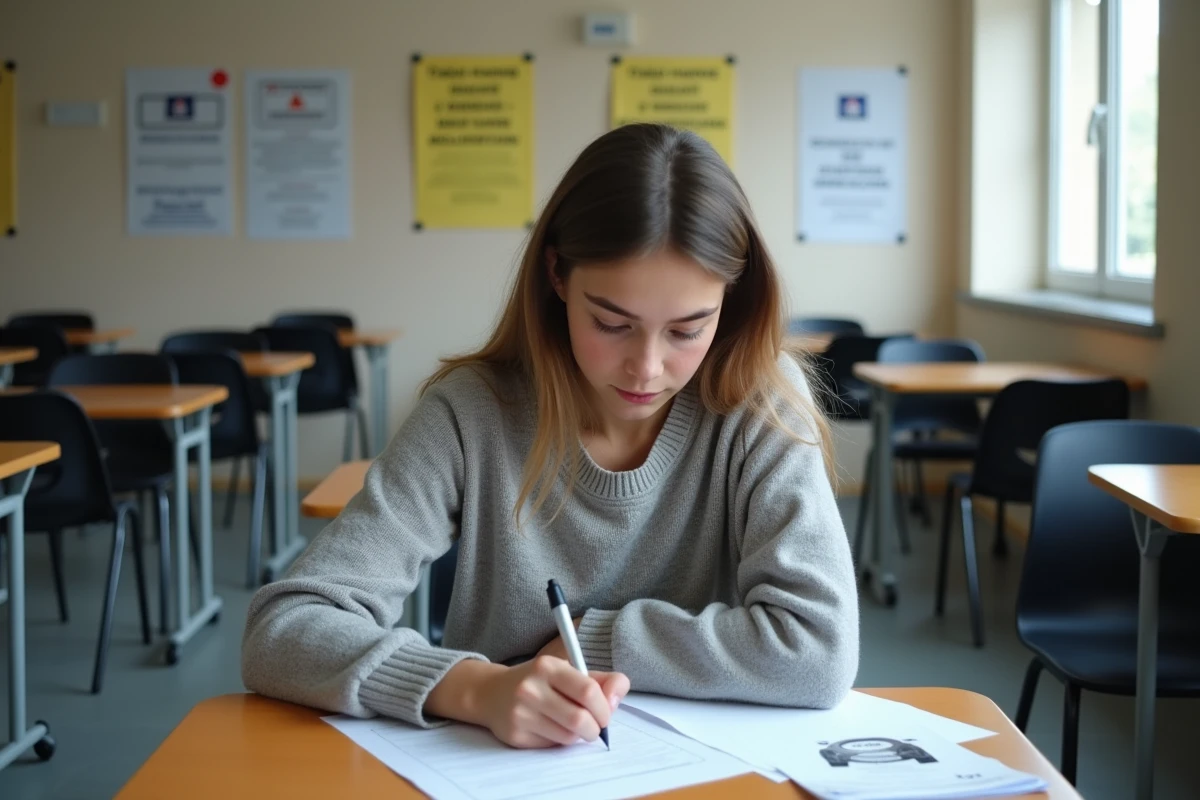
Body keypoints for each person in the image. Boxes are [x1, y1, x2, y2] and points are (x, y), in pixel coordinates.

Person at [242, 123, 859, 750]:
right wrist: (474, 688)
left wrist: (591, 636)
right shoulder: (470, 413)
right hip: (505, 770)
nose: (647, 368)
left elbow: (819, 650)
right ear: (558, 275)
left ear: (731, 299)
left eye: (687, 330)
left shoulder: (762, 402)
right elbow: (285, 627)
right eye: (611, 322)